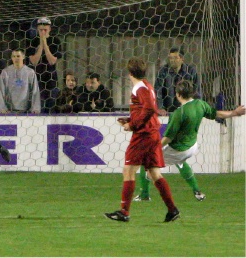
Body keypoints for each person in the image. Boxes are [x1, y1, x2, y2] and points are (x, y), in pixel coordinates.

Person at [133, 80, 245, 202]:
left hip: (178, 149)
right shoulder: (200, 104)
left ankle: (144, 195)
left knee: (146, 160)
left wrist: (154, 148)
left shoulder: (178, 113)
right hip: (191, 147)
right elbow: (217, 114)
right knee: (180, 161)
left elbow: (168, 138)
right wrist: (234, 113)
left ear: (178, 95)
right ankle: (197, 192)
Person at [105, 56, 180, 223]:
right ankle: (172, 209)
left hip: (144, 135)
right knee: (154, 173)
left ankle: (124, 212)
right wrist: (130, 120)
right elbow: (144, 110)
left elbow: (150, 109)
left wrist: (133, 125)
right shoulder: (146, 85)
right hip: (151, 132)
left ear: (130, 72)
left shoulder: (140, 88)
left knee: (129, 170)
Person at [26, 17, 64, 113]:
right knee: (38, 109)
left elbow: (52, 61)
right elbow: (34, 61)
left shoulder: (55, 41)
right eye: (40, 30)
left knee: (51, 110)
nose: (43, 32)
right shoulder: (32, 41)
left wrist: (45, 44)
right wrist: (41, 45)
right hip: (37, 81)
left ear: (50, 29)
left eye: (45, 30)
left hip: (51, 81)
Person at [155, 47, 201, 116]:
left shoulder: (191, 71)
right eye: (170, 58)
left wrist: (196, 108)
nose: (172, 60)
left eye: (176, 57)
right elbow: (158, 91)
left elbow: (196, 91)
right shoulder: (163, 71)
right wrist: (160, 107)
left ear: (182, 59)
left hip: (186, 111)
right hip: (167, 112)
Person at [0, 49, 40, 114]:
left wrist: (35, 108)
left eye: (18, 56)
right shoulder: (6, 72)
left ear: (23, 56)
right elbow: (0, 91)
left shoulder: (30, 72)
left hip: (26, 111)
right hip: (9, 111)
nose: (16, 58)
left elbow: (35, 91)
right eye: (14, 56)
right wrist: (2, 108)